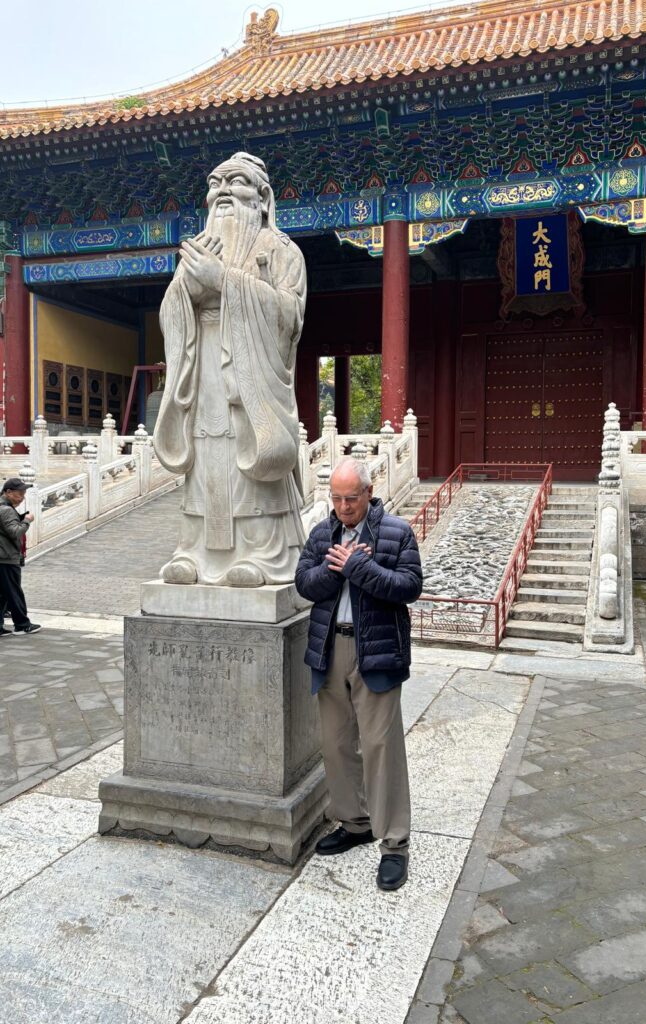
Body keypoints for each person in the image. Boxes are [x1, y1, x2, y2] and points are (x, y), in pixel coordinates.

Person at [153, 152, 307, 588]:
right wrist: (186, 286)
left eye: (235, 182)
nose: (221, 191)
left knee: (249, 462)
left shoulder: (282, 251)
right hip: (203, 376)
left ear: (262, 197)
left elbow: (290, 317)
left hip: (252, 379)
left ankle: (262, 553)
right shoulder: (200, 248)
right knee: (205, 456)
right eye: (215, 183)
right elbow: (170, 314)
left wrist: (225, 281)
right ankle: (193, 552)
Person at [295, 457, 423, 891]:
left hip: (378, 651)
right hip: (331, 648)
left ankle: (394, 843)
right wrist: (336, 571)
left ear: (369, 492)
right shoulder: (321, 533)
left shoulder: (396, 533)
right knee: (335, 744)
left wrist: (359, 569)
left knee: (380, 745)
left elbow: (409, 587)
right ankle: (354, 822)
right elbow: (304, 584)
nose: (344, 506)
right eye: (336, 498)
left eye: (351, 498)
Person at [0, 477, 41, 638]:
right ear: (8, 492)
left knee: (0, 594)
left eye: (23, 493)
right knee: (14, 593)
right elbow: (15, 532)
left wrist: (20, 517)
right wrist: (27, 521)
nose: (22, 497)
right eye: (19, 493)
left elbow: (4, 527)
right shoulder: (6, 510)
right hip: (6, 558)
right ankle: (22, 625)